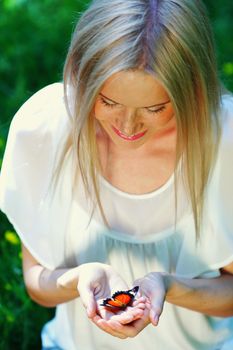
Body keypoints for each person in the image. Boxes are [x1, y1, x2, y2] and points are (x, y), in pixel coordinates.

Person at [1, 0, 233, 349]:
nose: (127, 127)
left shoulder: (224, 143)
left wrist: (168, 286)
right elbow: (38, 286)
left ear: (194, 90)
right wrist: (77, 278)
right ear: (79, 74)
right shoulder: (45, 130)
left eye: (155, 108)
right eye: (107, 101)